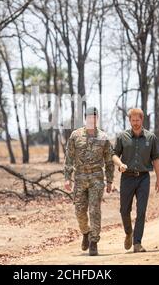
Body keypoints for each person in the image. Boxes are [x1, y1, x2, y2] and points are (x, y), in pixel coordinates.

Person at [64, 107, 114, 256]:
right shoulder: (75, 135)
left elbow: (109, 160)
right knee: (79, 211)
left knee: (94, 210)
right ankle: (85, 232)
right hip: (79, 179)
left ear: (96, 118)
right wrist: (67, 178)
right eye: (88, 117)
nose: (91, 119)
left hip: (96, 179)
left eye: (93, 116)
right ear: (85, 118)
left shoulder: (103, 137)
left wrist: (110, 180)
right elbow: (69, 158)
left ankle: (94, 242)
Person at [112, 108, 159, 253]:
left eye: (137, 120)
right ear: (129, 120)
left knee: (141, 211)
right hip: (127, 177)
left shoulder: (151, 138)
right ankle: (129, 232)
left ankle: (137, 243)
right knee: (124, 210)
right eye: (132, 120)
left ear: (142, 120)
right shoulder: (122, 136)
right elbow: (114, 155)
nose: (135, 123)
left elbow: (156, 159)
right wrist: (120, 164)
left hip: (144, 178)